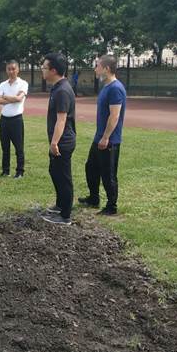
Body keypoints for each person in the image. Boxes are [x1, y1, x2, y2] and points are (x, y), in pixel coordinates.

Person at [78, 54, 126, 216]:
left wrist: (106, 137)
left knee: (108, 174)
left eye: (97, 66)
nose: (95, 69)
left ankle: (111, 206)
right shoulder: (106, 87)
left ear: (106, 68)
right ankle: (94, 198)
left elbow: (115, 116)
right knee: (91, 168)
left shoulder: (115, 88)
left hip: (109, 140)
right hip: (99, 137)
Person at [40, 52, 76, 225]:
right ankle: (60, 205)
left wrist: (54, 143)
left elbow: (61, 119)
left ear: (53, 70)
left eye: (44, 67)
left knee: (63, 177)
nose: (42, 70)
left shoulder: (62, 90)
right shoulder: (57, 87)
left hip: (63, 142)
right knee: (55, 172)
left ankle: (65, 216)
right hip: (59, 141)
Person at [0, 60, 29, 179]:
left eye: (13, 69)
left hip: (16, 120)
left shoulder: (23, 84)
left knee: (19, 147)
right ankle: (5, 171)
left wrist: (5, 97)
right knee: (5, 147)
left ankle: (20, 172)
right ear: (6, 70)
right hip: (4, 120)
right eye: (9, 69)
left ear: (18, 69)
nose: (11, 71)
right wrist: (13, 98)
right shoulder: (2, 84)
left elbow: (19, 99)